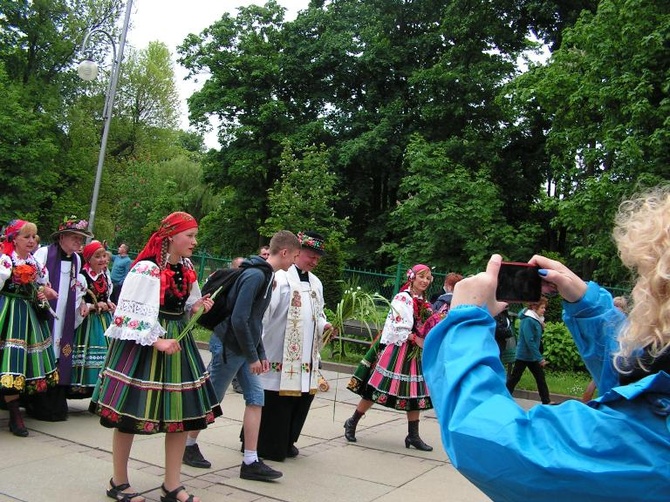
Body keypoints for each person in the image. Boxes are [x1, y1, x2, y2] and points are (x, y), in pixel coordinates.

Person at [422, 187, 670, 501]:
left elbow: (489, 437)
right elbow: (642, 377)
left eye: (645, 276)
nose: (639, 290)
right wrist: (586, 305)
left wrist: (464, 320)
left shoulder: (650, 439)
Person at [89, 211, 222, 502]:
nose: (194, 241)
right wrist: (156, 340)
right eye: (190, 235)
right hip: (145, 345)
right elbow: (126, 313)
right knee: (129, 415)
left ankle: (172, 485)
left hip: (177, 343)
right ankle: (118, 481)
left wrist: (197, 305)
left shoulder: (185, 267)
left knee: (182, 416)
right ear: (171, 236)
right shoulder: (147, 268)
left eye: (194, 235)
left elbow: (185, 307)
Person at [183, 231, 301, 480]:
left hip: (240, 348)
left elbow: (254, 319)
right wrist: (252, 356)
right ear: (285, 252)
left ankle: (250, 460)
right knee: (209, 398)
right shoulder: (256, 275)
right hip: (229, 346)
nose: (294, 262)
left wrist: (259, 352)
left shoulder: (265, 276)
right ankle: (186, 445)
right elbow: (239, 318)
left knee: (256, 398)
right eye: (295, 256)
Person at [257, 231, 333, 461]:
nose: (314, 261)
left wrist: (325, 324)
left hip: (306, 357)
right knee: (276, 400)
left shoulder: (316, 283)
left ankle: (288, 440)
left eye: (318, 259)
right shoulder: (281, 277)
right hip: (279, 350)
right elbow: (266, 312)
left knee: (300, 400)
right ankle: (267, 445)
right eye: (311, 256)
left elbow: (317, 312)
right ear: (297, 252)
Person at [344, 264, 435, 451]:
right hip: (396, 349)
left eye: (428, 278)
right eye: (421, 277)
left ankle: (413, 435)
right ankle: (352, 421)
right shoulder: (403, 298)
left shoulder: (422, 301)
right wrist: (413, 337)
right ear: (412, 278)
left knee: (415, 391)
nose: (425, 281)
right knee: (377, 387)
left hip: (413, 350)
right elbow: (396, 326)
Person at [0, 220, 59, 436]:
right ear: (14, 239)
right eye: (26, 237)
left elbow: (43, 284)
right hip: (8, 312)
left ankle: (16, 415)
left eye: (34, 237)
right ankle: (15, 415)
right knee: (8, 360)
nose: (32, 240)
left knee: (17, 364)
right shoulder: (6, 260)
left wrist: (45, 291)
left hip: (28, 316)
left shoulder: (34, 262)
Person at [29, 216, 90, 421]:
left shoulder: (77, 259)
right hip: (45, 313)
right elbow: (30, 278)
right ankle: (36, 403)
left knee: (59, 355)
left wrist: (81, 303)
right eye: (75, 237)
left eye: (81, 239)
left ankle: (55, 403)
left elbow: (76, 288)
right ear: (62, 237)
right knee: (44, 353)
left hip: (64, 315)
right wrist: (43, 289)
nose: (79, 243)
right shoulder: (45, 253)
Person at [70, 240, 113, 398]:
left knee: (106, 354)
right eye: (97, 257)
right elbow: (77, 302)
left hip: (104, 320)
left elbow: (105, 296)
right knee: (89, 353)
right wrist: (95, 306)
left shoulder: (105, 276)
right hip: (89, 323)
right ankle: (85, 385)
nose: (102, 260)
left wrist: (109, 303)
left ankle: (103, 390)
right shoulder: (82, 277)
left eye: (103, 256)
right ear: (88, 259)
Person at [505, 297, 554, 404]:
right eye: (542, 307)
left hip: (531, 357)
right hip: (523, 356)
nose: (544, 310)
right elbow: (529, 341)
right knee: (515, 378)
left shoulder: (536, 320)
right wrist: (540, 358)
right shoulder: (528, 320)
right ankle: (504, 397)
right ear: (534, 307)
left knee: (540, 377)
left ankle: (546, 401)